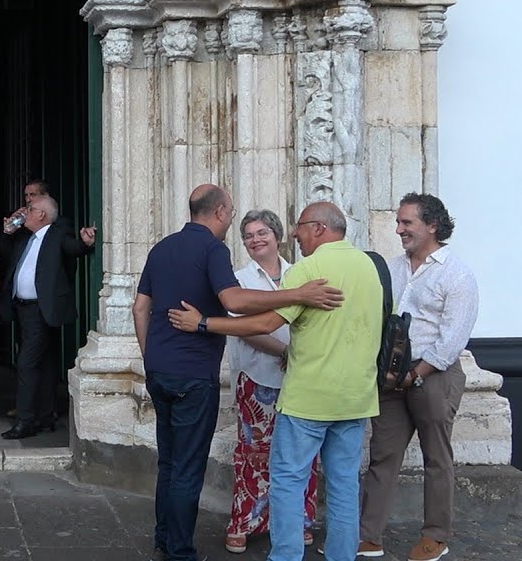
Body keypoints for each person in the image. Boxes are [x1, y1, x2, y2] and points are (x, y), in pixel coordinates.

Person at [134, 185, 343, 561]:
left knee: (168, 462)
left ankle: (163, 538)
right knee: (187, 467)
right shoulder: (214, 249)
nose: (233, 221)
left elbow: (139, 308)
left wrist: (151, 359)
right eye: (232, 214)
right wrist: (297, 295)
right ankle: (180, 551)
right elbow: (233, 302)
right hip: (194, 375)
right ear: (220, 212)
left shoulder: (160, 248)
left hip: (160, 370)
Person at [168, 201, 378, 561]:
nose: (295, 234)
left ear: (319, 229)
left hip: (309, 396)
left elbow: (263, 325)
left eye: (300, 227)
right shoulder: (370, 267)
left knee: (287, 481)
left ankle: (285, 556)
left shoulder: (308, 271)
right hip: (356, 396)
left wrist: (204, 323)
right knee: (344, 486)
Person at [358, 193, 479, 561]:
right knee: (383, 455)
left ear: (432, 225)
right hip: (393, 378)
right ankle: (368, 537)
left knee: (436, 457)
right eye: (398, 222)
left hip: (434, 375)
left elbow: (452, 339)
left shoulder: (457, 274)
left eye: (406, 223)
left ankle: (436, 537)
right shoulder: (393, 269)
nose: (399, 230)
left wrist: (416, 374)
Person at [223, 210, 318, 554]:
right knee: (254, 454)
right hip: (259, 377)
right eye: (248, 235)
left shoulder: (301, 274)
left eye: (262, 232)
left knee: (303, 454)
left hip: (302, 378)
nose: (255, 240)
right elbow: (246, 328)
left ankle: (298, 522)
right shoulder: (239, 280)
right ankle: (245, 522)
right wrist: (285, 351)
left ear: (277, 236)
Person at [1, 196, 95, 440]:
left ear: (41, 214)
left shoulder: (57, 234)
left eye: (30, 209)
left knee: (27, 363)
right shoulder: (25, 237)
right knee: (44, 362)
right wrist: (8, 231)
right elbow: (6, 256)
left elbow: (73, 248)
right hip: (23, 309)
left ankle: (26, 420)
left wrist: (86, 243)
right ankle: (45, 415)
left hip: (41, 310)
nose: (25, 211)